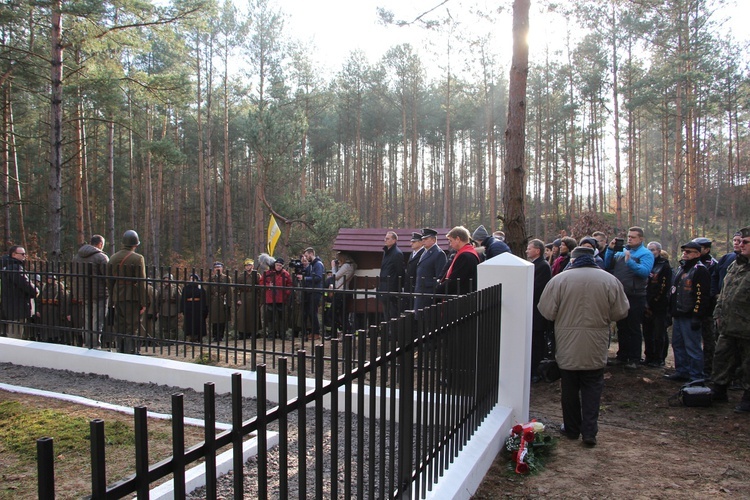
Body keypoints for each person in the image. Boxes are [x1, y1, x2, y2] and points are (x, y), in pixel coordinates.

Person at [538, 245, 630, 447]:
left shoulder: (560, 280)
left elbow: (547, 311)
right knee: (593, 387)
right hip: (596, 342)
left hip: (567, 342)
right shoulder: (609, 280)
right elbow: (620, 311)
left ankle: (571, 429)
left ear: (573, 259)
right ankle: (590, 432)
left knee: (569, 387)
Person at [711, 227, 750, 413]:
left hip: (746, 327)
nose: (740, 245)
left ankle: (748, 397)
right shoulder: (736, 265)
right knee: (721, 358)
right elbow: (724, 293)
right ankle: (719, 389)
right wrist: (718, 314)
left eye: (745, 242)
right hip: (728, 325)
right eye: (739, 241)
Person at [604, 226, 654, 369]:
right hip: (620, 294)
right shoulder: (622, 251)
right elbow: (608, 265)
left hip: (635, 295)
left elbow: (645, 272)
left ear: (641, 239)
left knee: (633, 327)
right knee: (622, 326)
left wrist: (630, 261)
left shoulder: (646, 254)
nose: (630, 239)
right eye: (629, 237)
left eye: (633, 237)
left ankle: (634, 358)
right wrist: (610, 250)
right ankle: (622, 355)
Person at [665, 241, 711, 382]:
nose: (685, 254)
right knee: (677, 344)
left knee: (692, 347)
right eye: (684, 251)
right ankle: (682, 371)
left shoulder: (700, 270)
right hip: (678, 313)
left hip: (690, 315)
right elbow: (674, 291)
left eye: (689, 252)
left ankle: (697, 375)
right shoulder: (682, 268)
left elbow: (701, 296)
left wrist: (697, 316)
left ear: (697, 254)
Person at [106, 230, 147, 354]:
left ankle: (120, 349)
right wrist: (143, 302)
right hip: (132, 297)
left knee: (120, 325)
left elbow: (109, 281)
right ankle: (131, 351)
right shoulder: (138, 258)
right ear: (135, 244)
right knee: (132, 325)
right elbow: (141, 282)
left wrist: (113, 297)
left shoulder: (113, 258)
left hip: (117, 296)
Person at [72, 235, 109, 348]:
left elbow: (74, 276)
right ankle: (95, 344)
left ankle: (87, 342)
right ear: (100, 244)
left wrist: (77, 292)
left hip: (83, 293)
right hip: (100, 293)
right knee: (98, 320)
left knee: (87, 319)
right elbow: (107, 277)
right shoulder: (101, 257)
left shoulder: (77, 257)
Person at [526, 238, 552, 381]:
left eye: (529, 248)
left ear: (537, 250)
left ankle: (535, 371)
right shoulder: (535, 265)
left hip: (537, 311)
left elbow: (537, 288)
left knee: (537, 342)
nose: (527, 250)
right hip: (533, 311)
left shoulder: (542, 266)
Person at [642, 242, 671, 367]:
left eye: (653, 250)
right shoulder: (645, 264)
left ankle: (659, 359)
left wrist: (653, 302)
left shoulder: (664, 266)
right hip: (645, 303)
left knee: (659, 333)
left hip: (659, 305)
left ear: (658, 251)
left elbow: (664, 288)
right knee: (647, 332)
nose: (650, 252)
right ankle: (649, 356)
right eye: (648, 250)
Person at [693, 237, 719, 376]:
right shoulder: (691, 263)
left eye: (699, 248)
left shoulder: (713, 264)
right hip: (692, 307)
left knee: (708, 340)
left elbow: (713, 287)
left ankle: (708, 369)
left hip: (708, 309)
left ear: (707, 249)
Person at [1, 246, 39, 340]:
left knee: (13, 332)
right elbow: (25, 283)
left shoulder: (6, 266)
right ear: (14, 254)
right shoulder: (15, 267)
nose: (25, 256)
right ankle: (12, 354)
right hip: (17, 306)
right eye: (22, 254)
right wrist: (35, 291)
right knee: (15, 335)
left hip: (11, 305)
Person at [436, 226, 479, 295]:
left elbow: (455, 280)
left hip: (461, 297)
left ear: (458, 239)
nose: (450, 244)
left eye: (451, 240)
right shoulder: (468, 252)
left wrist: (439, 289)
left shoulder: (465, 256)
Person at [414, 228, 447, 310]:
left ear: (433, 240)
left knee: (427, 319)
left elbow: (440, 276)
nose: (423, 241)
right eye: (422, 239)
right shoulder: (424, 252)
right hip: (420, 291)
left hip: (429, 294)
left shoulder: (438, 253)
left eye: (426, 239)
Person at [378, 231, 405, 324]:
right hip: (384, 286)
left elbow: (400, 271)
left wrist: (398, 286)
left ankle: (392, 334)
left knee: (392, 313)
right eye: (385, 238)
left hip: (392, 287)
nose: (385, 240)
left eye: (388, 238)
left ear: (394, 240)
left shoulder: (397, 253)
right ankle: (388, 334)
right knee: (386, 313)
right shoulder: (386, 252)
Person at [35, 274, 71, 343]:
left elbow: (62, 300)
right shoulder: (44, 287)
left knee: (54, 325)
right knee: (45, 325)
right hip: (44, 309)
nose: (50, 280)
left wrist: (61, 312)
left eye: (51, 278)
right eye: (48, 278)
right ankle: (45, 338)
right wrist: (38, 310)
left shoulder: (59, 288)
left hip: (55, 310)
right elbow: (39, 300)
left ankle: (55, 338)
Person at [299, 247, 325, 341]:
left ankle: (316, 332)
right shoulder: (311, 265)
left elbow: (318, 278)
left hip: (316, 291)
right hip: (310, 291)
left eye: (306, 256)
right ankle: (313, 332)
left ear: (311, 254)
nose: (306, 258)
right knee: (309, 312)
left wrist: (305, 278)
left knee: (313, 312)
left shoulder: (318, 264)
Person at [262, 258, 292, 339]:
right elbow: (261, 282)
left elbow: (289, 285)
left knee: (282, 317)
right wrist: (268, 286)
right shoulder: (268, 273)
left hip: (281, 299)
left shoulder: (286, 274)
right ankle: (271, 334)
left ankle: (282, 334)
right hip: (270, 298)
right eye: (277, 265)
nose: (278, 267)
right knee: (270, 317)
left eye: (280, 265)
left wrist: (286, 293)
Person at [331, 253, 357, 335]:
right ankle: (345, 331)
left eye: (339, 259)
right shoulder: (351, 265)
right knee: (343, 314)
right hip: (345, 292)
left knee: (331, 313)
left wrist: (333, 267)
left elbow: (335, 276)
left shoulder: (346, 266)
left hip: (340, 292)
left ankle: (346, 329)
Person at [236, 259, 261, 340]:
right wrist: (238, 299)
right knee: (242, 315)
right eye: (246, 265)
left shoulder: (257, 275)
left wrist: (260, 300)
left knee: (253, 315)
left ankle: (253, 332)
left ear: (252, 266)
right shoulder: (240, 276)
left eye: (249, 265)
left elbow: (260, 289)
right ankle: (242, 333)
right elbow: (236, 289)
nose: (248, 267)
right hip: (243, 296)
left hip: (254, 296)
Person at [208, 261, 232, 343]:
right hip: (214, 300)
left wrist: (228, 303)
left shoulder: (227, 278)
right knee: (214, 320)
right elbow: (208, 291)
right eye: (216, 268)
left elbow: (229, 291)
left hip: (222, 300)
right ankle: (215, 336)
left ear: (222, 268)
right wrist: (208, 303)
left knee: (222, 319)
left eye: (219, 267)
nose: (217, 269)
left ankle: (221, 336)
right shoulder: (210, 279)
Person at [180, 273, 208, 342]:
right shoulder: (186, 288)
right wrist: (183, 308)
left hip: (198, 307)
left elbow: (204, 299)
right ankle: (191, 337)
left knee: (198, 323)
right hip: (189, 307)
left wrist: (204, 309)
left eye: (193, 279)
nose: (192, 280)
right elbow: (183, 299)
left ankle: (198, 337)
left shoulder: (200, 288)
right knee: (190, 323)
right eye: (191, 279)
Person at [157, 274, 181, 340]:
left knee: (173, 327)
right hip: (163, 311)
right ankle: (167, 341)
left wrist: (179, 312)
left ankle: (173, 340)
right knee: (165, 328)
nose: (166, 280)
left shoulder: (176, 289)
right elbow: (157, 301)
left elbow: (179, 300)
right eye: (165, 279)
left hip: (173, 311)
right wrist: (157, 311)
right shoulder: (160, 289)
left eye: (168, 279)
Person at [404, 232, 424, 309]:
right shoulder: (412, 254)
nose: (411, 244)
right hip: (409, 286)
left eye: (414, 242)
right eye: (411, 242)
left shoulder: (422, 254)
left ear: (420, 242)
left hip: (416, 286)